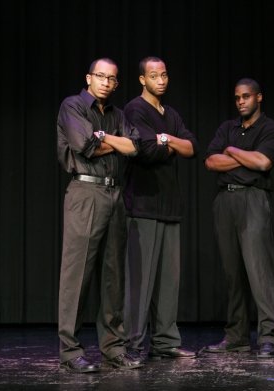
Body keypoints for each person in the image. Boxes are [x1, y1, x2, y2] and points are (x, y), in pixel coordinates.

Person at [57, 57, 143, 372]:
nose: (106, 82)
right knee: (77, 274)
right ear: (89, 78)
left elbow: (135, 146)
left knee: (113, 277)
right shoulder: (73, 106)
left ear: (116, 83)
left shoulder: (119, 114)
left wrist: (103, 137)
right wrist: (115, 142)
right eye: (100, 76)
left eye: (112, 78)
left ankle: (113, 349)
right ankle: (70, 352)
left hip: (115, 194)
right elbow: (83, 144)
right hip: (86, 192)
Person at [123, 56, 198, 362]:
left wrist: (166, 138)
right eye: (154, 76)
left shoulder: (172, 114)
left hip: (170, 206)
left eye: (164, 75)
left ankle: (165, 342)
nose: (161, 80)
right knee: (139, 282)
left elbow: (191, 147)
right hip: (143, 204)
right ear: (143, 79)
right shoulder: (135, 109)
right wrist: (170, 144)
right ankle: (132, 344)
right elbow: (147, 150)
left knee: (169, 281)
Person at [202, 78, 274, 358]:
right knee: (232, 272)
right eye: (237, 98)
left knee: (260, 270)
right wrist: (246, 158)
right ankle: (236, 336)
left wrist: (233, 151)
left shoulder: (270, 129)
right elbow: (211, 161)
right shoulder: (227, 128)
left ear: (258, 97)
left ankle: (268, 335)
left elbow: (263, 162)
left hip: (253, 199)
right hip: (225, 200)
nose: (240, 102)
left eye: (246, 96)